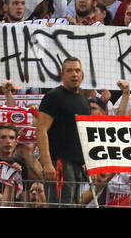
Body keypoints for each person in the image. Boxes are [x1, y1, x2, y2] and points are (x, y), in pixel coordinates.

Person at [36, 57, 91, 205]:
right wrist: (47, 163)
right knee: (60, 204)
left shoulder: (84, 101)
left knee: (72, 203)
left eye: (77, 70)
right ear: (62, 75)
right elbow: (41, 130)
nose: (74, 74)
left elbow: (83, 135)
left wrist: (86, 161)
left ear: (82, 74)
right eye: (70, 71)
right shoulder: (53, 97)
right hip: (59, 164)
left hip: (77, 166)